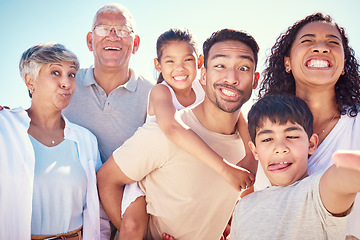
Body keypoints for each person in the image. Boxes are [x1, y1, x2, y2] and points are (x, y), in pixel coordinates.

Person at [97, 28, 260, 239]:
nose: (231, 78)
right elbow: (172, 128)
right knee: (132, 227)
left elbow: (238, 117)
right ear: (205, 73)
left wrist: (251, 157)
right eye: (220, 66)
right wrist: (224, 168)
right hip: (143, 180)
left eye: (243, 68)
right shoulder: (161, 110)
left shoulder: (259, 146)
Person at [258, 12, 360, 239]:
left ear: (343, 64)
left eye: (333, 43)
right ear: (287, 62)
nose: (321, 48)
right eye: (308, 41)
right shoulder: (259, 129)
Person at [0, 43, 108, 239]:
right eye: (55, 73)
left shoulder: (86, 140)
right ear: (30, 81)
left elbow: (99, 212)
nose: (66, 83)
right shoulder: (4, 128)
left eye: (71, 74)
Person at [230, 94, 359, 240]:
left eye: (291, 136)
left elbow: (340, 179)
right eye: (267, 139)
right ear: (255, 150)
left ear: (311, 144)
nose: (280, 148)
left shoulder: (317, 194)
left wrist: (353, 169)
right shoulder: (244, 206)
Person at [62, 3, 154, 164]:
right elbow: (37, 119)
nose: (113, 36)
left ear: (136, 44)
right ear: (90, 41)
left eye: (123, 30)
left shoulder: (152, 94)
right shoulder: (67, 83)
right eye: (103, 29)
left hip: (127, 187)